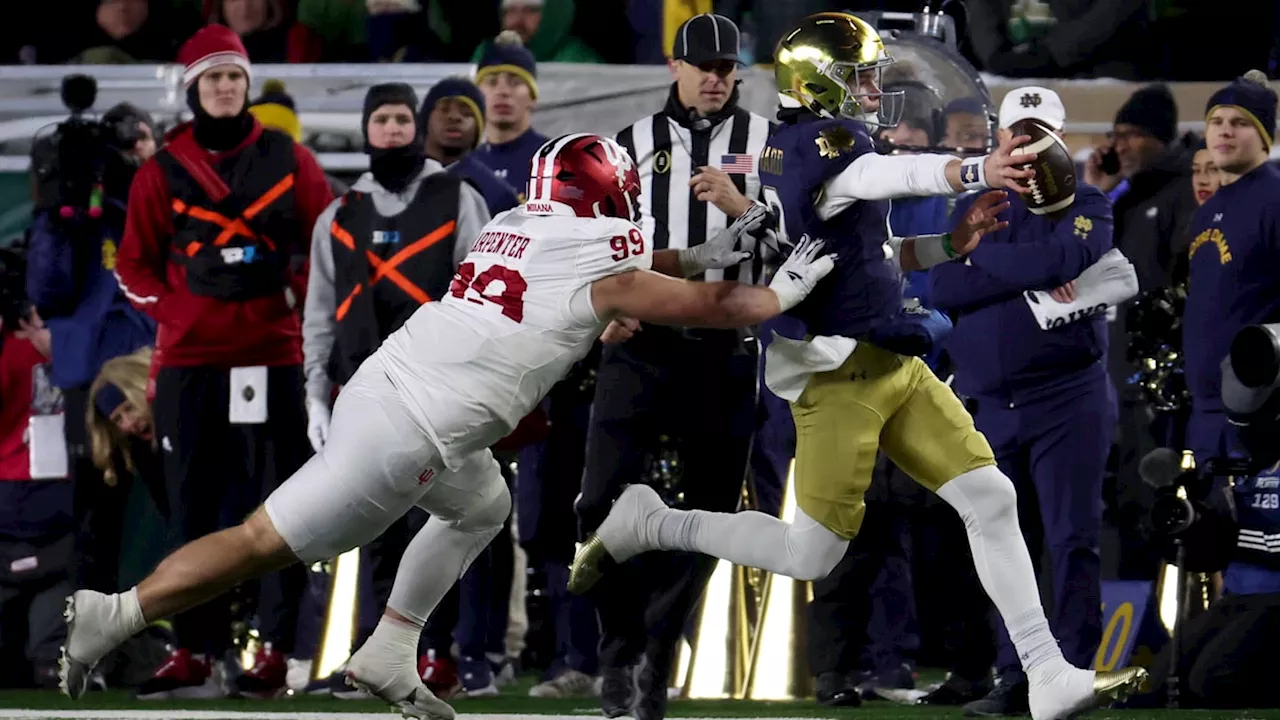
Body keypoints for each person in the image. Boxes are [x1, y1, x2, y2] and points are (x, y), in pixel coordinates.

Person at [57, 132, 848, 720]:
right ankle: (116, 614)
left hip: (406, 393)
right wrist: (781, 292)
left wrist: (704, 249)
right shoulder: (596, 251)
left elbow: (626, 269)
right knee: (264, 543)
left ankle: (392, 649)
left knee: (481, 507)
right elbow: (711, 304)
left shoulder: (520, 222)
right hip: (410, 429)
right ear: (606, 191)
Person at [569, 13, 1147, 720]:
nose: (876, 88)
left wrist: (951, 243)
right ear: (819, 82)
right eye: (862, 76)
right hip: (838, 372)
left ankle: (1047, 670)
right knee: (813, 555)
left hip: (888, 359)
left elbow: (870, 255)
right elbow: (882, 172)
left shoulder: (791, 148)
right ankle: (649, 522)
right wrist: (973, 169)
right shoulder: (823, 141)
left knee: (989, 498)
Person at [112, 24, 334, 699]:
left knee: (281, 510)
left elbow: (327, 242)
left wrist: (292, 295)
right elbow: (132, 265)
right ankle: (196, 653)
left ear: (246, 83)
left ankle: (271, 652)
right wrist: (181, 311)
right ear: (194, 88)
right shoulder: (162, 170)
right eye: (213, 78)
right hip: (191, 363)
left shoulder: (289, 159)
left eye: (235, 76)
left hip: (271, 355)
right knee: (192, 511)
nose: (226, 87)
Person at [578, 14, 778, 718]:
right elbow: (599, 240)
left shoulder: (770, 144)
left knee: (712, 515)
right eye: (704, 66)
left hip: (725, 353)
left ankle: (658, 651)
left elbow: (805, 253)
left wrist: (744, 205)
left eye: (727, 68)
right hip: (645, 343)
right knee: (596, 504)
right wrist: (607, 306)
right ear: (674, 66)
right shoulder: (630, 144)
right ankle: (620, 649)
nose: (717, 79)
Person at [930, 87, 1119, 717]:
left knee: (1071, 538)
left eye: (1042, 132)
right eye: (1019, 132)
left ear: (1061, 138)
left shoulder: (1087, 201)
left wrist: (983, 254)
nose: (1030, 145)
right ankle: (1019, 676)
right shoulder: (976, 203)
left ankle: (1073, 671)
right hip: (991, 402)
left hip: (1069, 396)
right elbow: (940, 280)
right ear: (1000, 138)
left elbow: (1065, 255)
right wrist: (1020, 264)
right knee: (1005, 540)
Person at [299, 81, 490, 696]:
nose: (392, 129)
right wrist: (313, 395)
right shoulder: (339, 213)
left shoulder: (459, 198)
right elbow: (319, 314)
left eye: (402, 118)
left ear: (417, 127)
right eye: (380, 119)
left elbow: (485, 298)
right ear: (366, 129)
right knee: (371, 529)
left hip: (439, 393)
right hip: (363, 396)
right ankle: (372, 659)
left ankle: (436, 657)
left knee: (437, 524)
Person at [420, 77, 524, 218]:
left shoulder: (499, 195)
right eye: (444, 109)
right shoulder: (396, 177)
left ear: (478, 129)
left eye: (466, 112)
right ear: (425, 120)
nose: (455, 117)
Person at [471, 31, 548, 186]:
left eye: (515, 82)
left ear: (533, 97)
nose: (503, 91)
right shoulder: (466, 167)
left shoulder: (556, 161)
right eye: (492, 82)